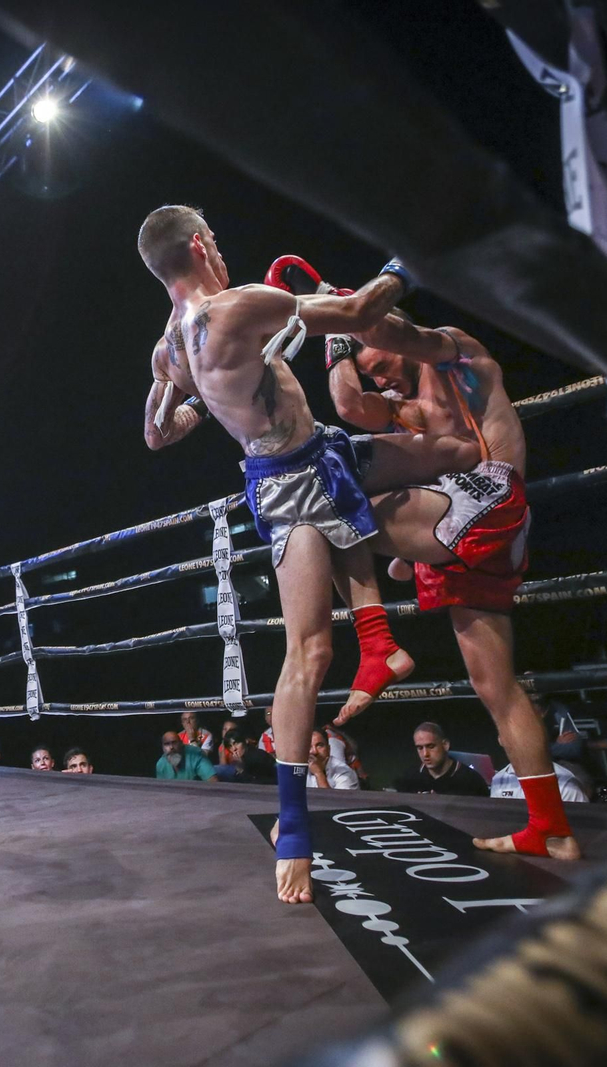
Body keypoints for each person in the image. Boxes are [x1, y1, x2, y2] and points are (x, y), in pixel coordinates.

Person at [138, 207, 473, 904]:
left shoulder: (169, 348)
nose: (223, 252)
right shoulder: (236, 305)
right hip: (295, 483)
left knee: (448, 455)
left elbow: (158, 434)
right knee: (310, 652)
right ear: (200, 245)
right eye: (218, 239)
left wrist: (203, 390)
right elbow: (357, 311)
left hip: (306, 458)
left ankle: (388, 620)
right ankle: (293, 831)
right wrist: (410, 255)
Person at [311, 305, 578, 859]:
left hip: (489, 500)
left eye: (377, 361)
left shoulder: (455, 350)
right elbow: (345, 404)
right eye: (367, 369)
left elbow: (396, 333)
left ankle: (377, 644)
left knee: (329, 495)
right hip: (459, 531)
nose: (377, 375)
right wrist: (336, 338)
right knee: (495, 688)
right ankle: (551, 829)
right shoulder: (399, 408)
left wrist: (348, 312)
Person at [394, 722, 491, 797]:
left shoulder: (471, 781)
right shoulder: (409, 779)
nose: (425, 754)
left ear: (445, 745)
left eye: (431, 746)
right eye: (420, 748)